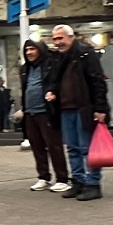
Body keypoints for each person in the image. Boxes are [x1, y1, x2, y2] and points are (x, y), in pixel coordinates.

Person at [46, 25, 110, 201]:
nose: (58, 42)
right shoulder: (58, 58)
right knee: (73, 148)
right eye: (55, 39)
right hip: (66, 109)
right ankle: (78, 181)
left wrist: (100, 108)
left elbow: (98, 81)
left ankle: (93, 184)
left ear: (71, 37)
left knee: (86, 149)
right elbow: (54, 80)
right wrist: (52, 91)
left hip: (84, 108)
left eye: (61, 38)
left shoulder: (85, 53)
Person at [18, 40, 71, 193]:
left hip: (46, 112)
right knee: (37, 146)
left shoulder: (50, 64)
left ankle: (62, 179)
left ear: (40, 50)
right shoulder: (25, 69)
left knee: (54, 146)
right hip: (30, 113)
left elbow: (57, 83)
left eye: (32, 49)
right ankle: (43, 177)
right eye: (26, 50)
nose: (29, 53)